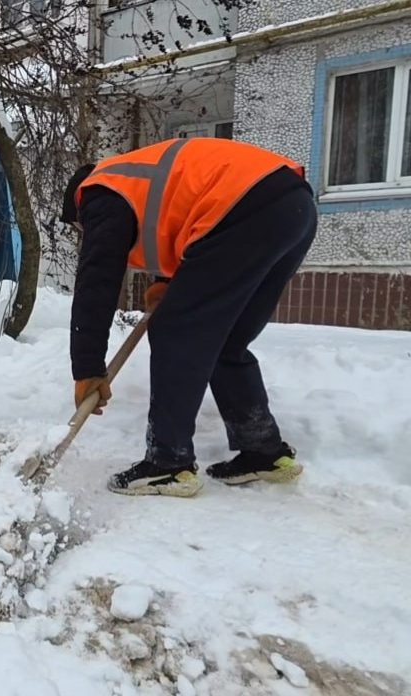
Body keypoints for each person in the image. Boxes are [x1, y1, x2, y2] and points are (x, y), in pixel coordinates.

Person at [60, 137, 317, 497]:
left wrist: (86, 367)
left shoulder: (102, 192)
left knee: (174, 330)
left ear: (79, 205)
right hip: (292, 205)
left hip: (245, 204)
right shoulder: (136, 183)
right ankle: (263, 451)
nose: (85, 234)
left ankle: (168, 461)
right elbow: (187, 219)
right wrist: (169, 284)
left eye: (80, 228)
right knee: (227, 339)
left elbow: (97, 281)